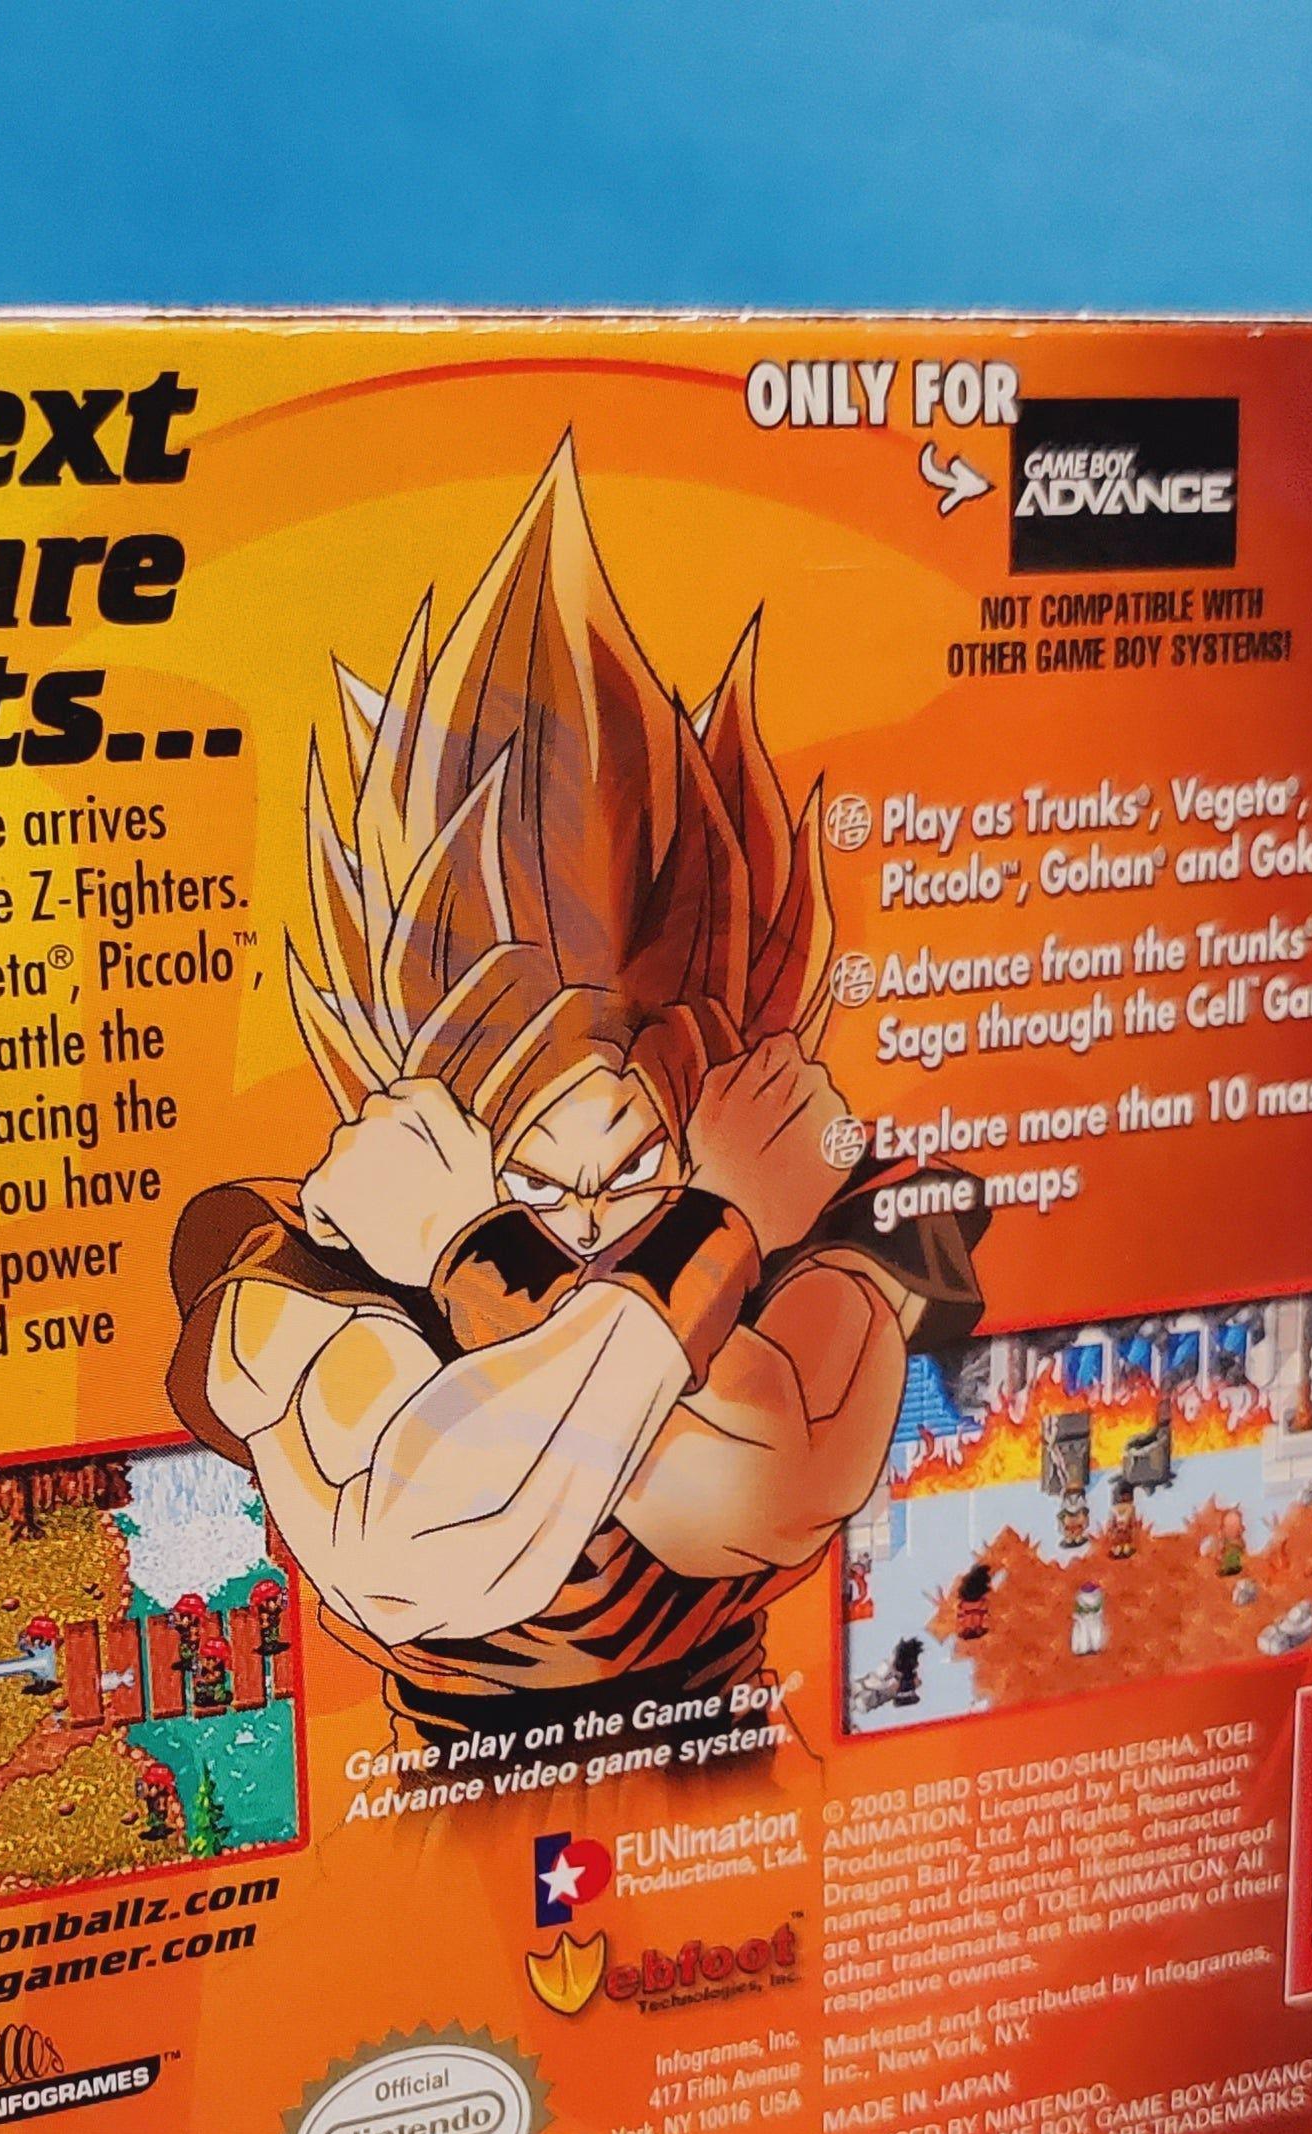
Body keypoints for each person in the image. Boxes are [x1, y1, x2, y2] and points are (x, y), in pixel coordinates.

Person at [167, 447, 983, 1751]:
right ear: (433, 1131)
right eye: (537, 1184)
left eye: (637, 1174)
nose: (592, 1222)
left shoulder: (835, 1219)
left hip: (752, 1800)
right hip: (432, 1831)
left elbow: (757, 1486)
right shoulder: (300, 1269)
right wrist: (709, 1231)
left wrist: (475, 1260)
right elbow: (417, 1551)